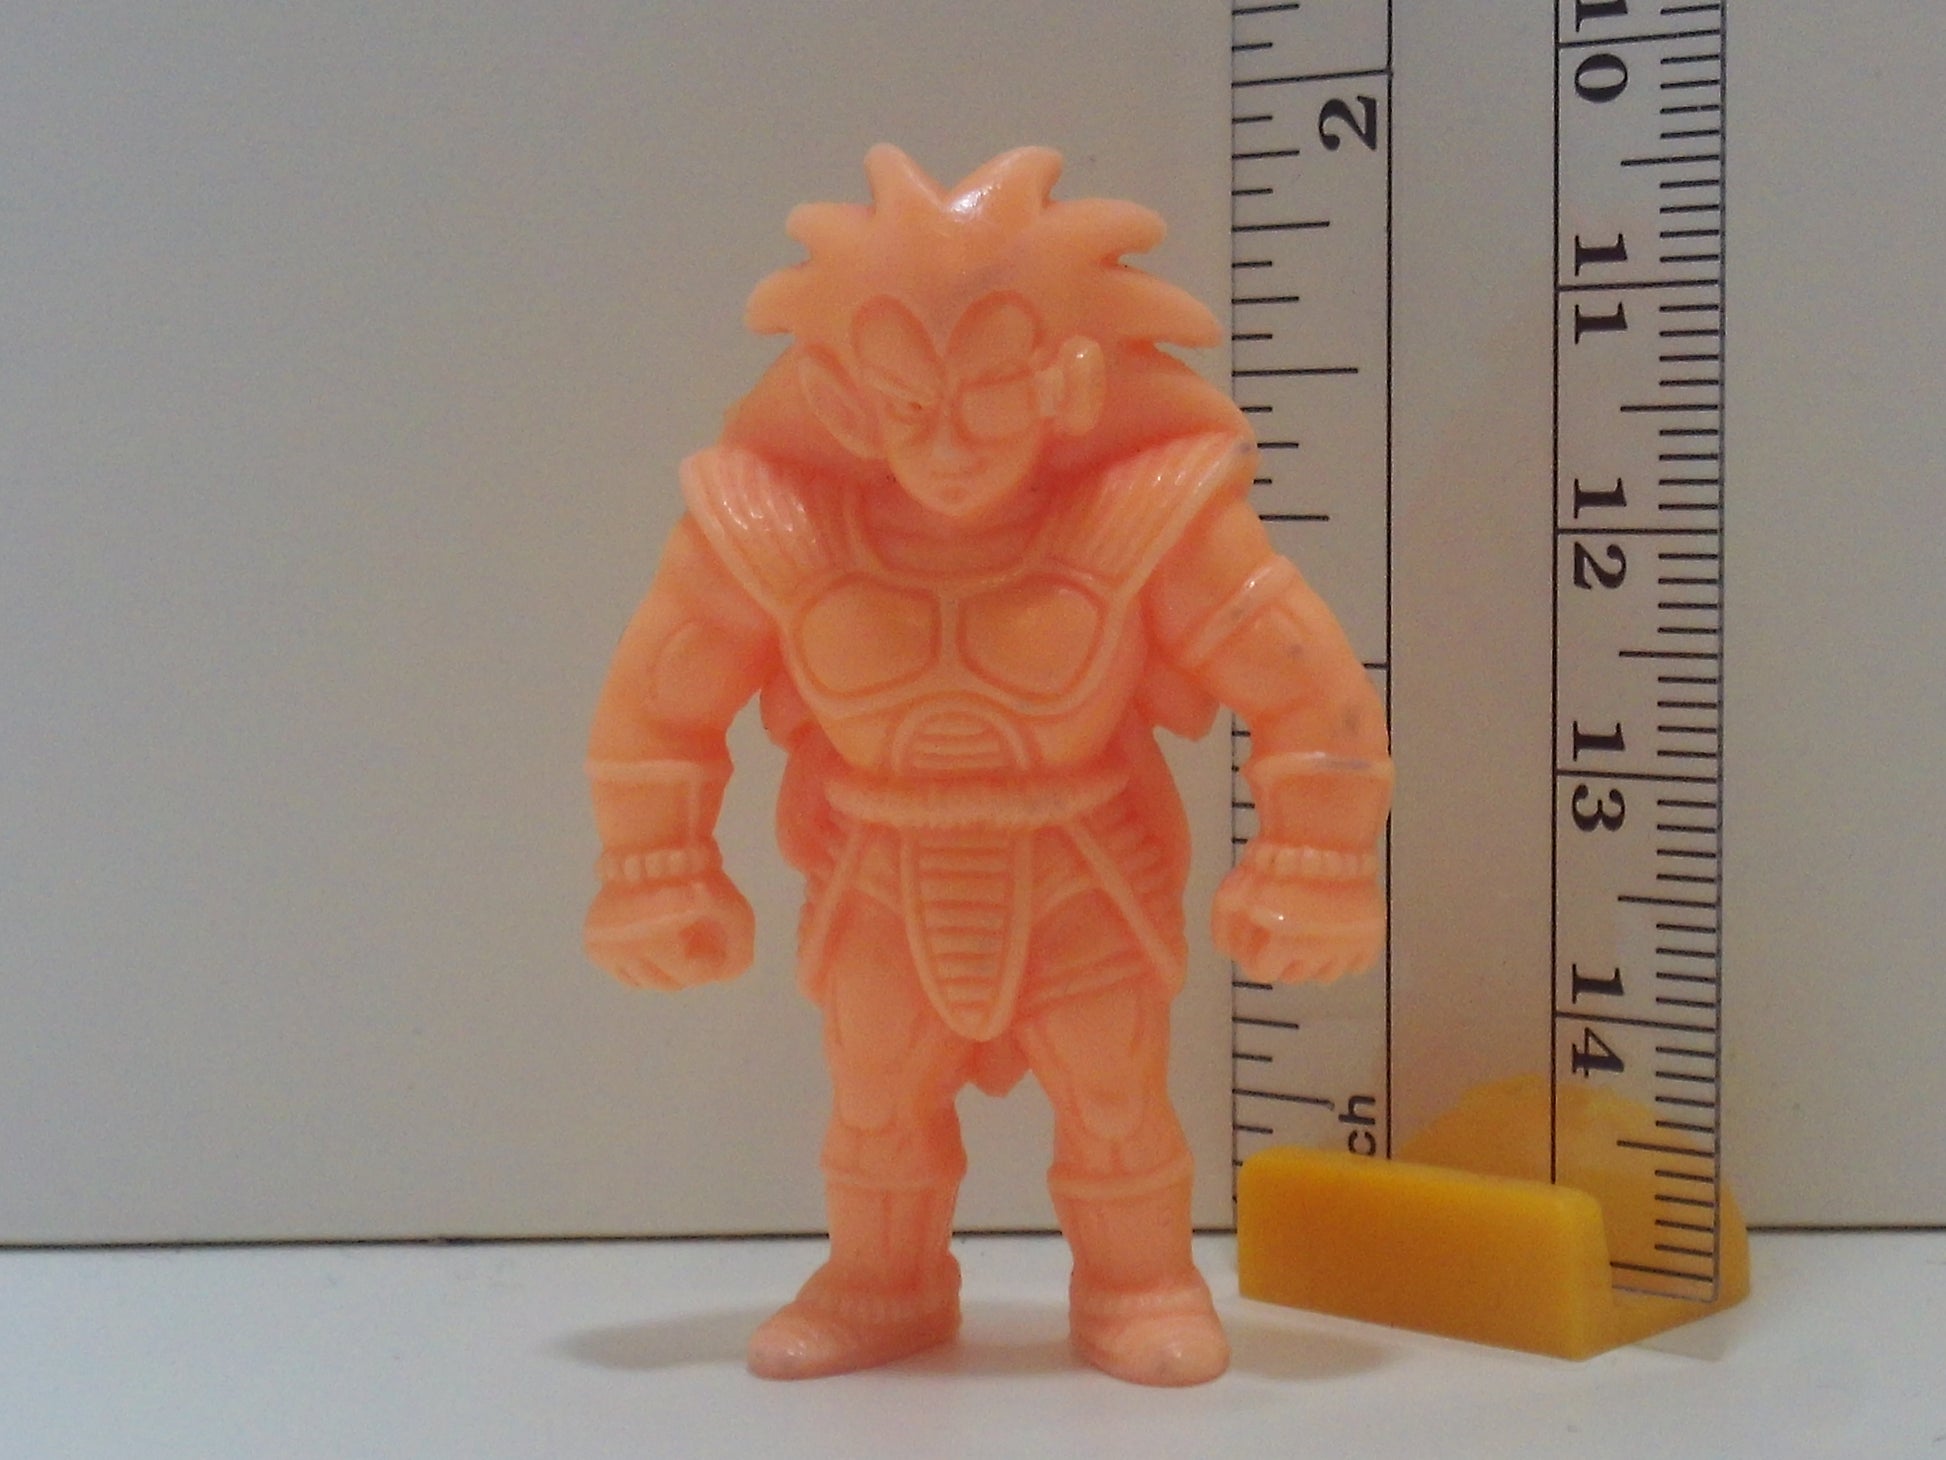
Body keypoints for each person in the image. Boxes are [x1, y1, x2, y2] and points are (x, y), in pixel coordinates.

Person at [583, 145, 1390, 1386]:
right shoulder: (774, 533)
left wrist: (1316, 855)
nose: (950, 442)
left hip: (1078, 868)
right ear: (844, 399)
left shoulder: (1144, 521)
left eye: (991, 395)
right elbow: (660, 700)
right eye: (908, 402)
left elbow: (1300, 684)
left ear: (1069, 380)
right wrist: (655, 866)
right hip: (879, 872)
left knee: (1114, 1101)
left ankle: (1138, 1281)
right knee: (874, 1105)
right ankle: (881, 1280)